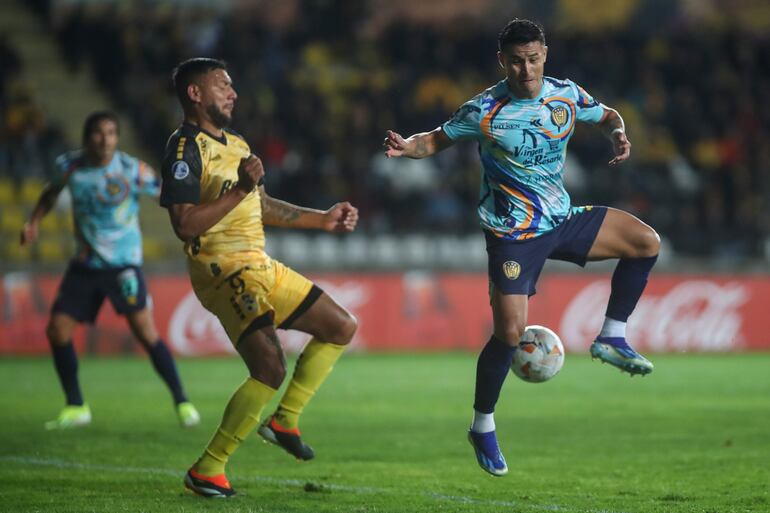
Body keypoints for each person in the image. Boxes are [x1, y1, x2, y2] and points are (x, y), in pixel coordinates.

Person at [383, 19, 660, 477]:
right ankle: (482, 424)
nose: (526, 69)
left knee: (646, 242)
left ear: (544, 55)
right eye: (516, 61)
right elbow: (436, 138)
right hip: (512, 234)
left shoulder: (565, 95)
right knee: (510, 334)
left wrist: (617, 134)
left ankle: (611, 336)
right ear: (502, 62)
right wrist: (408, 147)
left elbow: (608, 114)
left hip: (560, 218)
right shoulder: (485, 110)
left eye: (533, 59)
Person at [161, 58, 359, 498]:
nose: (233, 93)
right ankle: (208, 469)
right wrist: (238, 190)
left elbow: (260, 206)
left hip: (259, 263)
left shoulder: (236, 144)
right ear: (195, 94)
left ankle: (284, 420)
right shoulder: (184, 147)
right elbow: (185, 224)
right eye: (222, 86)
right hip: (224, 268)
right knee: (268, 367)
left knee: (340, 325)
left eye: (232, 86)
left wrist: (321, 220)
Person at [20, 111, 200, 430]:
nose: (106, 140)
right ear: (87, 138)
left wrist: (192, 218)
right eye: (99, 133)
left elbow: (166, 194)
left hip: (123, 267)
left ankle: (182, 401)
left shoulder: (130, 170)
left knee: (145, 334)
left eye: (112, 133)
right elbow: (50, 194)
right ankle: (76, 406)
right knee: (57, 330)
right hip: (85, 265)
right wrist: (34, 221)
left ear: (117, 138)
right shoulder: (70, 166)